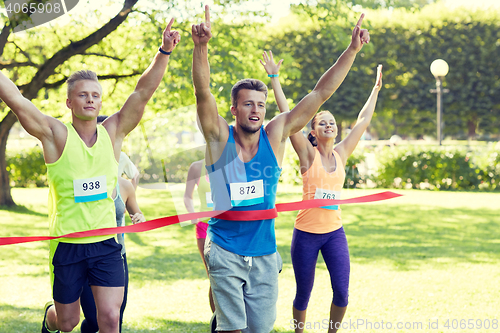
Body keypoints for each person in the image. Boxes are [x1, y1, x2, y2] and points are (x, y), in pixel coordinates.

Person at [191, 5, 369, 333]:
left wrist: (352, 51)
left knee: (259, 328)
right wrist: (200, 48)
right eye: (248, 103)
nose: (255, 110)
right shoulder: (218, 137)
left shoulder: (275, 136)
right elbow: (203, 93)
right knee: (234, 328)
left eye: (261, 104)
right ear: (234, 109)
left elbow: (320, 93)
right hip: (225, 248)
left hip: (264, 253)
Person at [0, 18, 180, 333]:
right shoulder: (55, 135)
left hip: (106, 244)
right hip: (67, 244)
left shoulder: (113, 133)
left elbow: (141, 94)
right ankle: (50, 316)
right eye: (83, 95)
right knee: (68, 322)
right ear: (69, 102)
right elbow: (16, 100)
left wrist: (164, 51)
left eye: (95, 95)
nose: (90, 99)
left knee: (110, 318)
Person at [265, 51, 382, 332]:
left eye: (331, 121)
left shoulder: (342, 153)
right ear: (313, 132)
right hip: (305, 234)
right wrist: (274, 79)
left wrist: (375, 90)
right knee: (303, 294)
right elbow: (288, 116)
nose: (328, 124)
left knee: (342, 291)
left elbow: (363, 121)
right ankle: (299, 331)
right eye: (321, 122)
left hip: (334, 233)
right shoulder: (307, 154)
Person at [80, 177, 146, 333]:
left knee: (115, 317)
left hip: (116, 257)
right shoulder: (85, 180)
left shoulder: (124, 185)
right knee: (93, 319)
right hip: (86, 256)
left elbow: (137, 213)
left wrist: (140, 219)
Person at [183, 159, 216, 314]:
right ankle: (217, 320)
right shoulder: (196, 167)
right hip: (204, 227)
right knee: (213, 277)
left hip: (227, 226)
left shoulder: (230, 163)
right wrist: (192, 214)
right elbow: (187, 196)